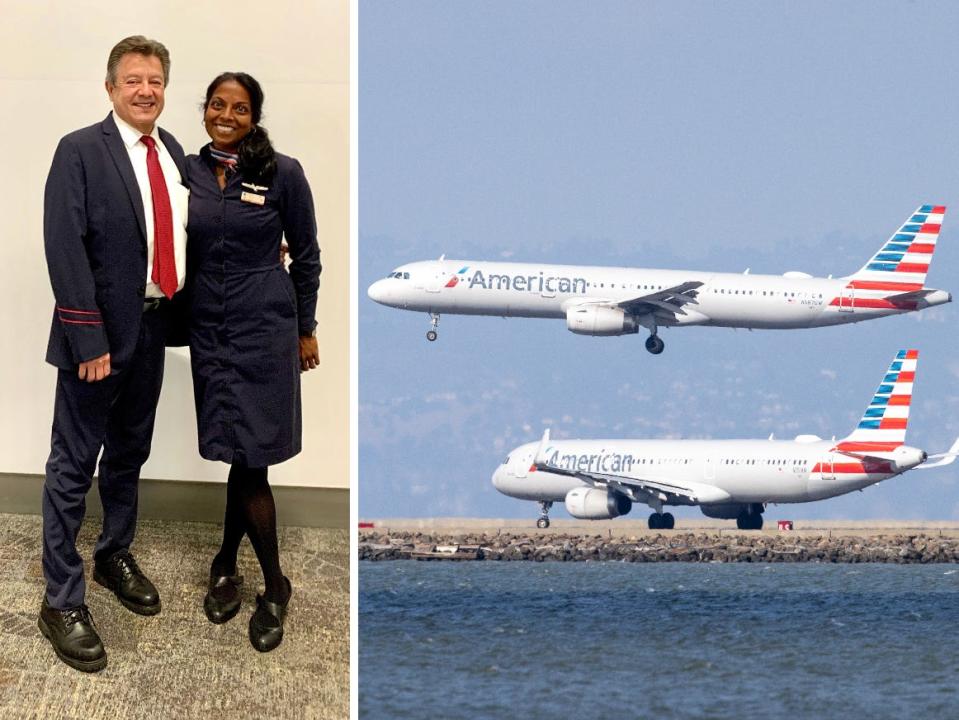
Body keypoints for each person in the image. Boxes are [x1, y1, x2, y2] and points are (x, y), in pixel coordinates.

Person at [39, 36, 188, 672]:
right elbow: (64, 245)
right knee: (73, 463)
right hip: (96, 338)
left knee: (129, 453)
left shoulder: (172, 152)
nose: (146, 90)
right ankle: (60, 598)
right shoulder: (79, 150)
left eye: (155, 80)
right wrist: (86, 336)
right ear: (110, 88)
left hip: (154, 330)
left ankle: (112, 555)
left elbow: (188, 233)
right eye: (133, 80)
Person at [185, 72, 321, 652]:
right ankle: (223, 559)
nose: (226, 114)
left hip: (266, 327)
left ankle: (273, 586)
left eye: (239, 108)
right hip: (209, 328)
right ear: (205, 111)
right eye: (218, 104)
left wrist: (307, 329)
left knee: (253, 459)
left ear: (254, 116)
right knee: (236, 453)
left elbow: (308, 255)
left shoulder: (282, 172)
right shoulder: (183, 169)